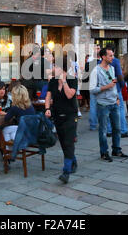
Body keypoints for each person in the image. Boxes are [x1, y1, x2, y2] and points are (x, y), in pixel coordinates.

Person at [90, 47, 128, 162]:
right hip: (103, 104)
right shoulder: (96, 71)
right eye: (110, 56)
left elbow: (114, 83)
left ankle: (116, 149)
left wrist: (117, 97)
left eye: (113, 55)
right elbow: (92, 89)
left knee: (117, 128)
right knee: (103, 130)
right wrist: (107, 87)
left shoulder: (112, 68)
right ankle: (104, 152)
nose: (113, 58)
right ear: (103, 57)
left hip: (114, 103)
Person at [45, 54, 78, 184]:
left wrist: (63, 81)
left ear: (61, 68)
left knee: (69, 141)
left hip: (70, 115)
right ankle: (73, 161)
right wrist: (47, 108)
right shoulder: (52, 81)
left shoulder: (72, 79)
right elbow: (48, 96)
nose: (53, 68)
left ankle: (66, 171)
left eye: (55, 66)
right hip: (57, 115)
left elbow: (70, 95)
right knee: (64, 142)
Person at [105, 45, 128, 138]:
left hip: (106, 89)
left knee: (108, 109)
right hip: (116, 88)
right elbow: (120, 75)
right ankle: (123, 130)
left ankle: (109, 130)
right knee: (120, 109)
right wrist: (122, 85)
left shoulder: (101, 61)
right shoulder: (115, 61)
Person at [88, 44, 101, 131]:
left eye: (98, 48)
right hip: (96, 84)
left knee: (94, 105)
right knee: (95, 105)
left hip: (94, 84)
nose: (97, 50)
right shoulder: (94, 61)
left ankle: (93, 124)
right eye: (96, 48)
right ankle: (95, 123)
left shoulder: (90, 61)